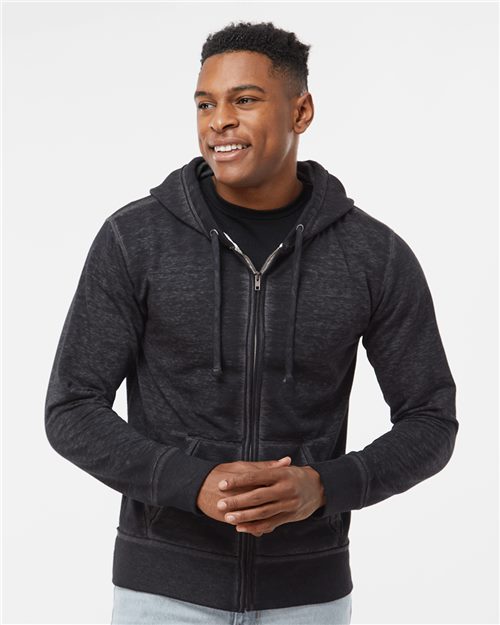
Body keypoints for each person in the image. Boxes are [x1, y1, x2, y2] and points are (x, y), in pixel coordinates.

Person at [44, 20, 458, 625]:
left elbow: (431, 420)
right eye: (205, 103)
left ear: (301, 111)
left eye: (244, 100)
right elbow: (71, 408)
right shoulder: (135, 239)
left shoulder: (374, 255)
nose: (219, 121)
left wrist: (325, 487)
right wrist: (190, 482)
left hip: (309, 596)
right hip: (162, 593)